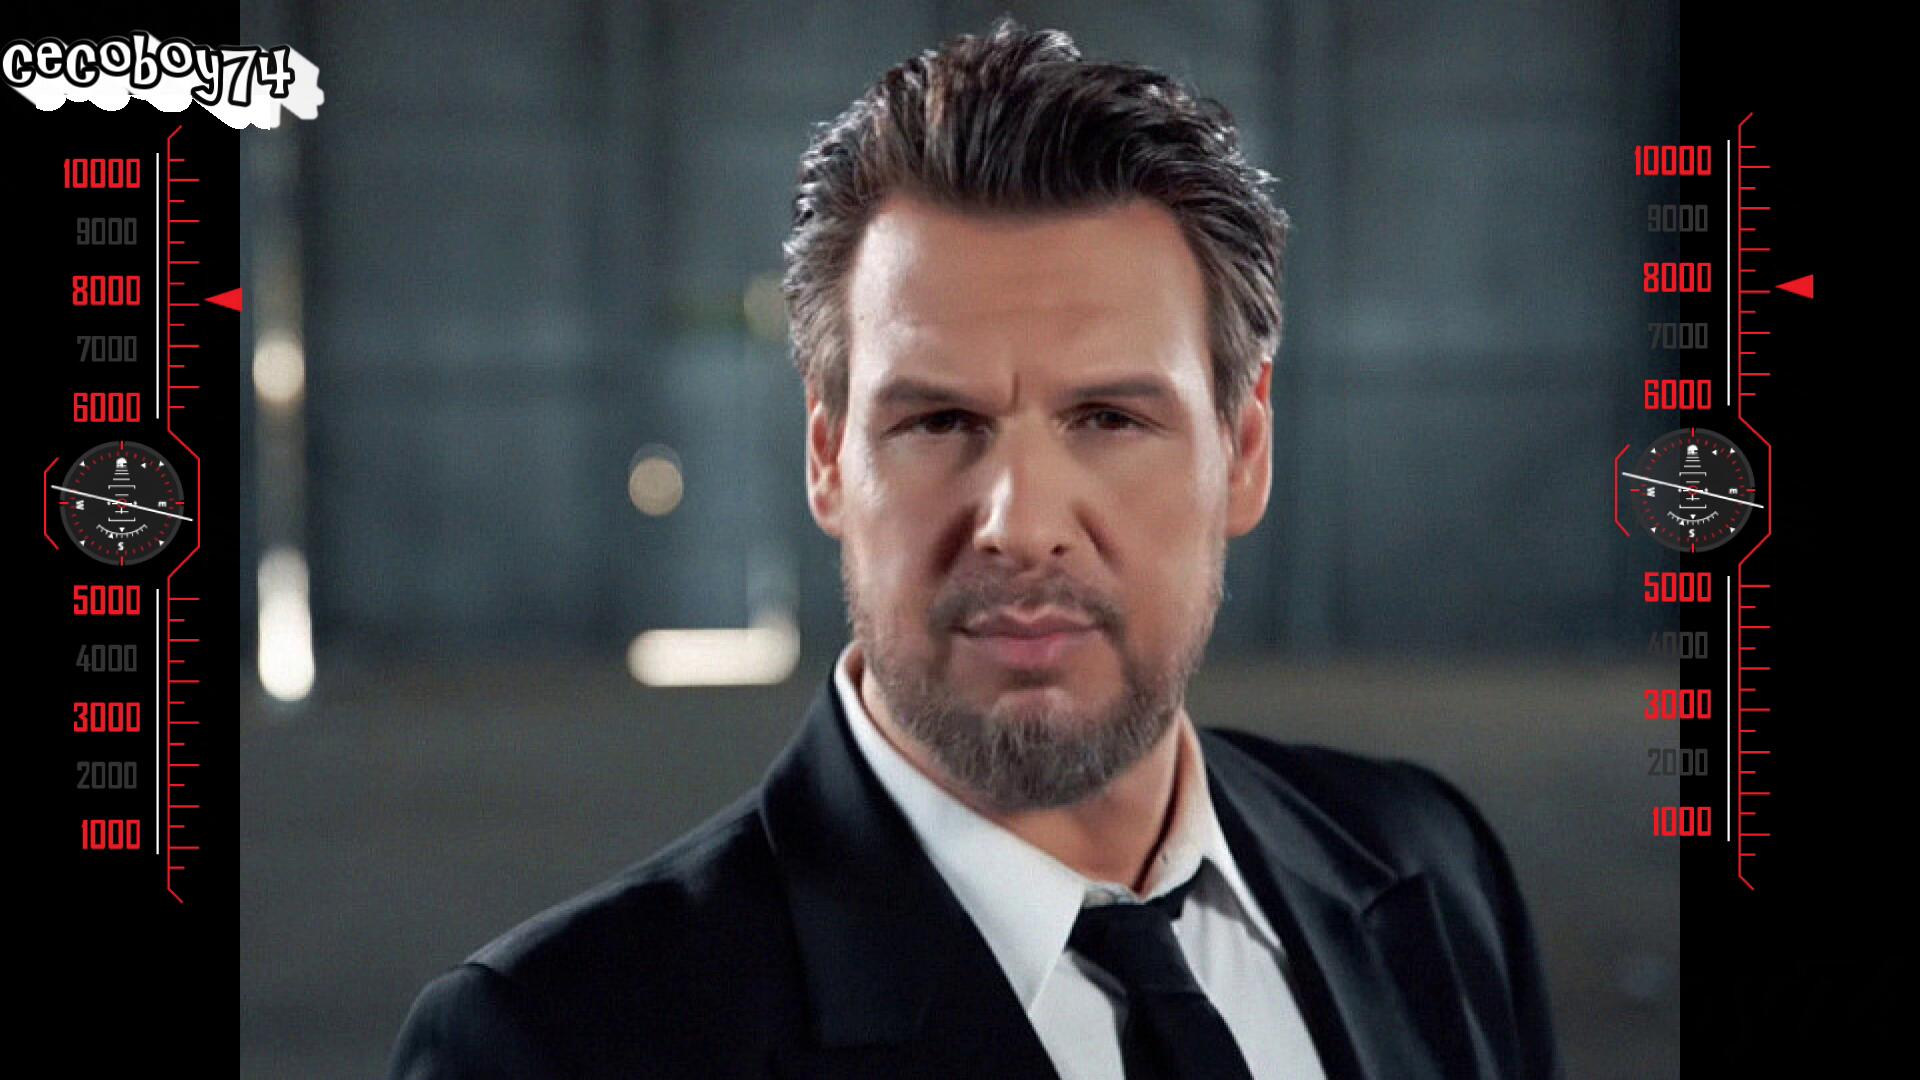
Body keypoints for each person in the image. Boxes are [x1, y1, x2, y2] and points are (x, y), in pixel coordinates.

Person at [388, 17, 1559, 1080]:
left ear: (1243, 451)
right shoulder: (552, 1044)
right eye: (940, 422)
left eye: (1110, 418)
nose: (1020, 523)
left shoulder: (1428, 867)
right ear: (827, 458)